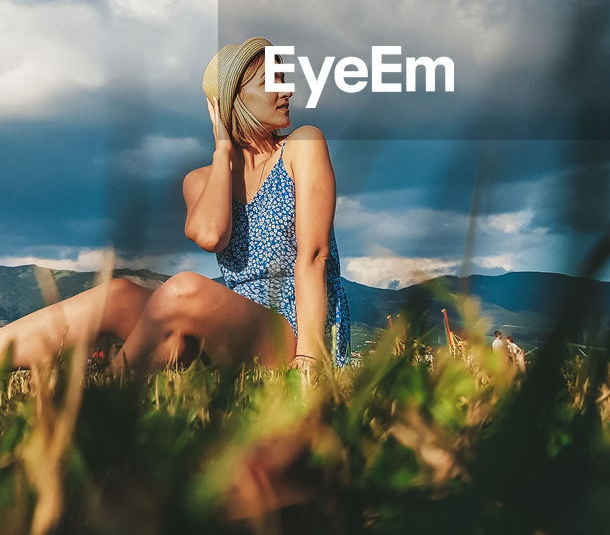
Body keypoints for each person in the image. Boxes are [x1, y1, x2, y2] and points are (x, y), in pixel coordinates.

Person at [0, 37, 352, 376]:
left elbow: (315, 254)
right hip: (225, 323)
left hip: (297, 324)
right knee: (118, 294)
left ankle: (106, 396)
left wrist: (308, 357)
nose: (287, 91)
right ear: (234, 100)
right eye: (271, 82)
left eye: (284, 80)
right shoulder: (202, 179)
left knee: (184, 289)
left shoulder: (303, 144)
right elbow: (210, 235)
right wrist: (223, 153)